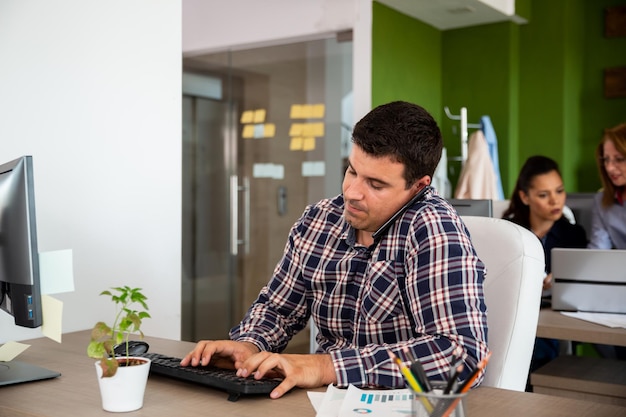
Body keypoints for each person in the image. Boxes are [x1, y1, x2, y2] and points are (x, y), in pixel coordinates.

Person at [181, 101, 489, 399]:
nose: (352, 193)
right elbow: (280, 310)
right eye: (352, 171)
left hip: (405, 404)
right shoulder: (319, 220)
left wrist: (328, 366)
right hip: (322, 401)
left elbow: (462, 354)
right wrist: (249, 344)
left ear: (418, 187)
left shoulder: (434, 229)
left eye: (376, 185)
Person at [502, 155, 587, 386]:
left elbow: (583, 284)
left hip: (554, 315)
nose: (555, 201)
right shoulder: (510, 232)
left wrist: (560, 281)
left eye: (559, 191)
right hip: (514, 310)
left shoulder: (574, 235)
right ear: (524, 196)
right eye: (543, 194)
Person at [588, 123, 626, 250]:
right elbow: (598, 249)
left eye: (619, 159)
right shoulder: (601, 201)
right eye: (606, 159)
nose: (609, 167)